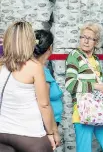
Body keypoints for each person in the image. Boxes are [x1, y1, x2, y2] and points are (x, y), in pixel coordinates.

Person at [0, 21, 58, 152]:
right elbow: (44, 105)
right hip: (29, 134)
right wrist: (50, 133)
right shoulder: (34, 67)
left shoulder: (2, 65)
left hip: (2, 132)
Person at [65, 22, 103, 152]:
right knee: (84, 149)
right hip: (82, 111)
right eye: (83, 37)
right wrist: (96, 86)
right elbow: (70, 84)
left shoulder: (95, 60)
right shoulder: (74, 56)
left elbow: (96, 87)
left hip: (99, 110)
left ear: (96, 42)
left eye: (90, 38)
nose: (85, 41)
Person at [34, 30, 63, 127]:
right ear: (50, 48)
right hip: (47, 124)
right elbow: (44, 105)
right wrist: (53, 131)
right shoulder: (41, 72)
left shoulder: (39, 68)